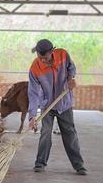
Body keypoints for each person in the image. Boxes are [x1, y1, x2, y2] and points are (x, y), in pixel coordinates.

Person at [27, 38, 87, 175]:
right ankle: (40, 163)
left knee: (70, 133)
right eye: (39, 57)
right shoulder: (35, 68)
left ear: (51, 52)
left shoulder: (63, 55)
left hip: (64, 103)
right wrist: (32, 116)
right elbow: (33, 93)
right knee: (45, 133)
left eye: (45, 57)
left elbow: (72, 68)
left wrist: (71, 78)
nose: (42, 60)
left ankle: (79, 165)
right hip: (47, 105)